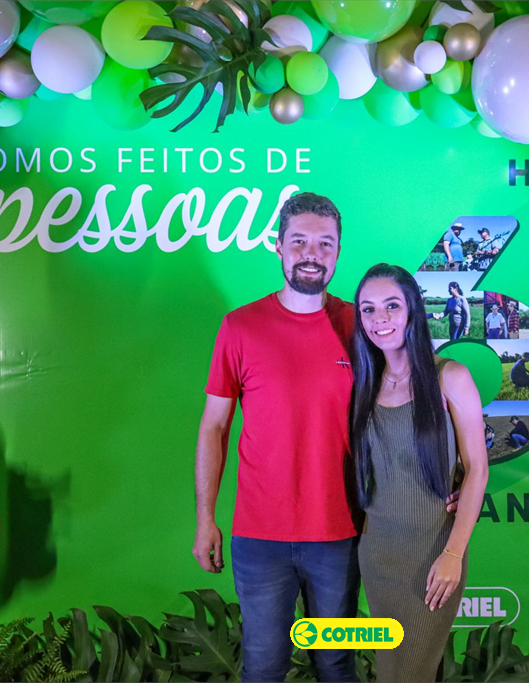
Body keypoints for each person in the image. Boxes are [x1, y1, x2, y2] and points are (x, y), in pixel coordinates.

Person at [195, 192, 360, 682]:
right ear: (278, 245)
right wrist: (205, 518)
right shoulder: (239, 326)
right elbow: (214, 426)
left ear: (338, 250)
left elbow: (402, 408)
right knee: (264, 667)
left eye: (325, 243)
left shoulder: (360, 324)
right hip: (259, 537)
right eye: (300, 241)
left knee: (337, 665)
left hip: (341, 534)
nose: (312, 253)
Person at [351, 263, 489, 682]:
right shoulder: (364, 382)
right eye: (368, 309)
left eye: (392, 306)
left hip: (432, 557)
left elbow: (477, 469)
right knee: (394, 672)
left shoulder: (450, 376)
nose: (380, 319)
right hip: (378, 556)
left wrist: (453, 554)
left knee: (410, 673)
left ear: (412, 308)